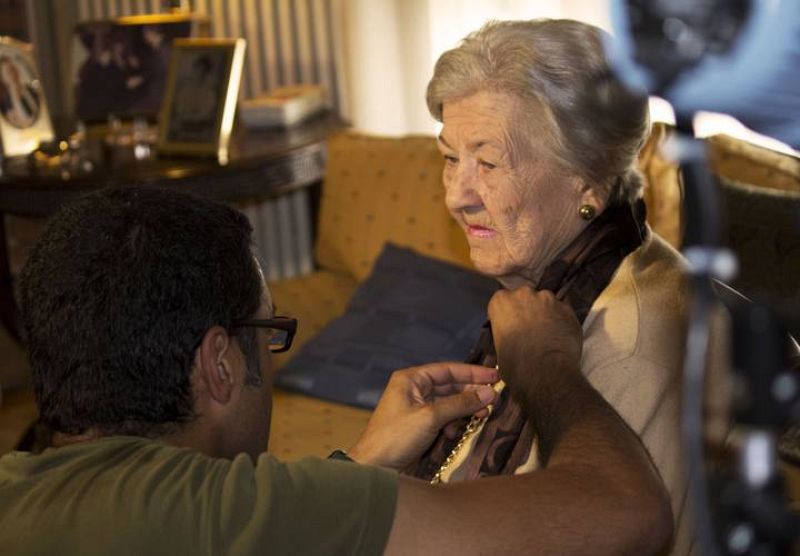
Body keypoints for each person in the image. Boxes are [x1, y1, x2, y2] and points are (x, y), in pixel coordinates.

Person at [0, 186, 672, 555]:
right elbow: (625, 514)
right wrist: (547, 365)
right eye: (269, 332)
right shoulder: (226, 511)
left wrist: (358, 464)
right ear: (220, 366)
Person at [411, 19, 694, 555]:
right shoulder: (554, 288)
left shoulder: (630, 341)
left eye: (489, 162)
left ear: (587, 178)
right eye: (450, 159)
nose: (456, 197)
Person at [0, 55, 39, 129]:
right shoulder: (5, 103)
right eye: (8, 72)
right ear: (2, 78)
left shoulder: (31, 90)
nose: (13, 74)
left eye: (13, 69)